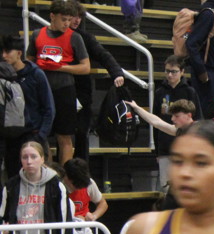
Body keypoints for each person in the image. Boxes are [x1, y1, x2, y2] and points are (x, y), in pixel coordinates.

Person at [26, 0, 91, 165]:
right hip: (41, 90)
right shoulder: (37, 34)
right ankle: (45, 172)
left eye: (69, 20)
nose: (67, 23)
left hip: (64, 89)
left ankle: (64, 175)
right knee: (41, 135)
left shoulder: (75, 37)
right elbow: (28, 61)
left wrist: (60, 67)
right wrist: (38, 66)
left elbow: (86, 67)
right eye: (63, 19)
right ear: (52, 16)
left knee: (65, 135)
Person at [69, 6, 125, 163]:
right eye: (74, 16)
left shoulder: (85, 37)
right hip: (60, 89)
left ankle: (81, 169)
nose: (77, 20)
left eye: (80, 17)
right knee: (63, 134)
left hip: (81, 91)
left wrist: (117, 73)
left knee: (82, 133)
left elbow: (103, 55)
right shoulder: (55, 36)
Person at [1, 35, 55, 182]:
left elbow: (49, 108)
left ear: (19, 53)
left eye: (8, 51)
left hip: (32, 134)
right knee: (13, 180)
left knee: (36, 179)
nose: (4, 56)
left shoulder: (36, 74)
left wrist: (41, 135)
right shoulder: (2, 76)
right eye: (2, 52)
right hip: (10, 136)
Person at [151, 56, 202, 188]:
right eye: (167, 71)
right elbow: (155, 122)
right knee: (166, 187)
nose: (170, 75)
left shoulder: (189, 91)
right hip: (165, 148)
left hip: (186, 149)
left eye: (174, 71)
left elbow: (198, 120)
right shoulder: (159, 92)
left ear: (182, 72)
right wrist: (157, 151)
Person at [186, 0, 214, 123]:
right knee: (207, 118)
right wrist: (201, 71)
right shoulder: (209, 14)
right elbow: (191, 44)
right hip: (207, 74)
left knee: (213, 117)